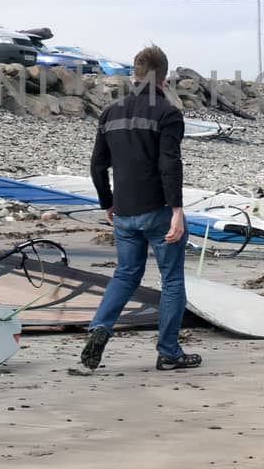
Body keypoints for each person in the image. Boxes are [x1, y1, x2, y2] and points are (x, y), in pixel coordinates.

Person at [79, 43, 202, 372]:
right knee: (172, 280)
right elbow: (169, 163)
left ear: (135, 75)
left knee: (125, 274)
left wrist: (107, 203)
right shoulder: (168, 113)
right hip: (158, 210)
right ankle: (169, 352)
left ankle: (101, 327)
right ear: (164, 79)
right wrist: (176, 210)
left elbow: (96, 166)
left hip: (124, 212)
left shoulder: (111, 112)